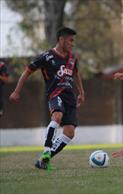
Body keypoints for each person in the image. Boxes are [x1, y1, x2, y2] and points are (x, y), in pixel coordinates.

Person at [9, 27, 85, 170]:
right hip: (55, 94)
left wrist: (81, 92)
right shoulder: (46, 56)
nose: (72, 43)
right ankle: (46, 151)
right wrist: (16, 91)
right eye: (70, 40)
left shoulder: (72, 58)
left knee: (69, 133)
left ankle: (44, 160)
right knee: (57, 116)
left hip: (70, 97)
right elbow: (27, 71)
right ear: (61, 39)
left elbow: (76, 74)